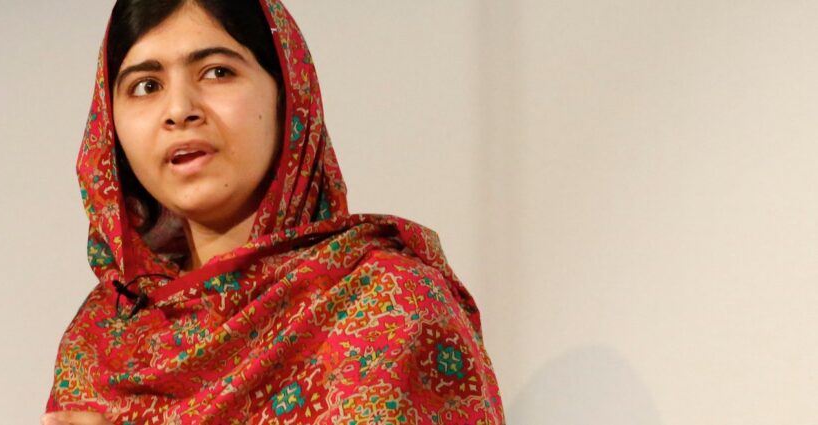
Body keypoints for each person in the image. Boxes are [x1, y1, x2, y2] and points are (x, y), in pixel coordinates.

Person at [41, 0, 504, 423]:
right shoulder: (102, 339)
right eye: (146, 86)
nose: (179, 109)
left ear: (288, 96)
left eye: (217, 72)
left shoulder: (391, 306)